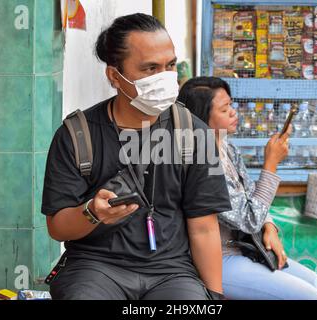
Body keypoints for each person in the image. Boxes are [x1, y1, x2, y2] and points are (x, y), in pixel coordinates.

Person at [41, 14, 232, 300]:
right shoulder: (77, 135)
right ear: (114, 76)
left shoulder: (194, 133)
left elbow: (204, 228)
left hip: (171, 273)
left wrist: (214, 297)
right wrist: (93, 213)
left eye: (169, 65)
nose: (165, 77)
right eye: (150, 68)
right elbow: (57, 227)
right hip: (95, 268)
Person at [177, 76, 317, 300]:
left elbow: (250, 196)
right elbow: (249, 219)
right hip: (219, 258)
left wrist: (269, 225)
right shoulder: (200, 161)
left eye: (231, 104)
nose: (233, 112)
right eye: (224, 109)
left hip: (245, 247)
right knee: (311, 297)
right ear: (202, 118)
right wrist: (271, 164)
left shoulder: (226, 148)